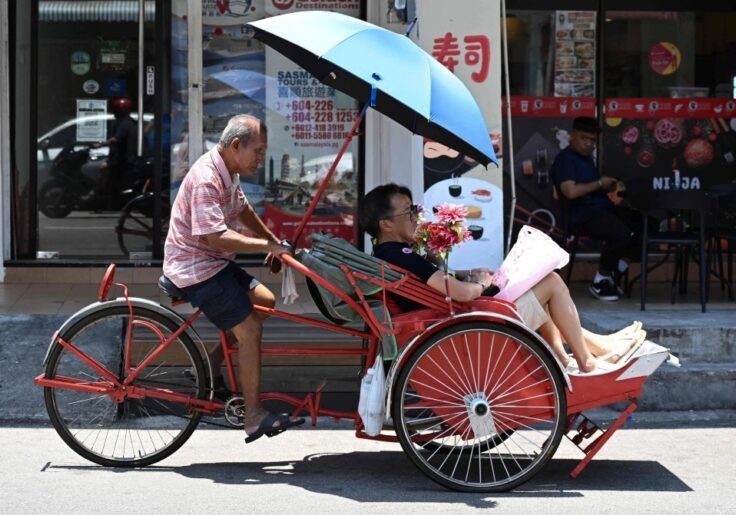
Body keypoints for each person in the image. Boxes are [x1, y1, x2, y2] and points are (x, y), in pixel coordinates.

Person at [358, 183, 645, 373]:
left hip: (462, 319)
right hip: (468, 325)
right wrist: (482, 283)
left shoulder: (389, 253)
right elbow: (458, 292)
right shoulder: (399, 255)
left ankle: (575, 353)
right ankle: (586, 361)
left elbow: (442, 285)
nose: (416, 216)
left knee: (536, 287)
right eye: (408, 211)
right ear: (385, 224)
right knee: (553, 282)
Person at [163, 114, 304, 443]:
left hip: (215, 263)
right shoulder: (206, 178)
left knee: (265, 303)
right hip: (196, 268)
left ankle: (211, 364)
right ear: (236, 146)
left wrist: (275, 244)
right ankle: (253, 417)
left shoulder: (229, 171)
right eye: (258, 151)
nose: (260, 158)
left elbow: (243, 211)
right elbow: (217, 237)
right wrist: (267, 245)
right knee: (250, 329)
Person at [550, 116, 645, 301]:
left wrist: (605, 186)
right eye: (583, 138)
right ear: (572, 136)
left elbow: (590, 186)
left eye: (592, 140)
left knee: (645, 223)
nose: (588, 144)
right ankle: (600, 281)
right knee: (620, 232)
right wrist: (600, 183)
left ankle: (618, 267)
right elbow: (570, 191)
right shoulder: (565, 160)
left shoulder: (586, 159)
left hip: (600, 209)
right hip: (580, 216)